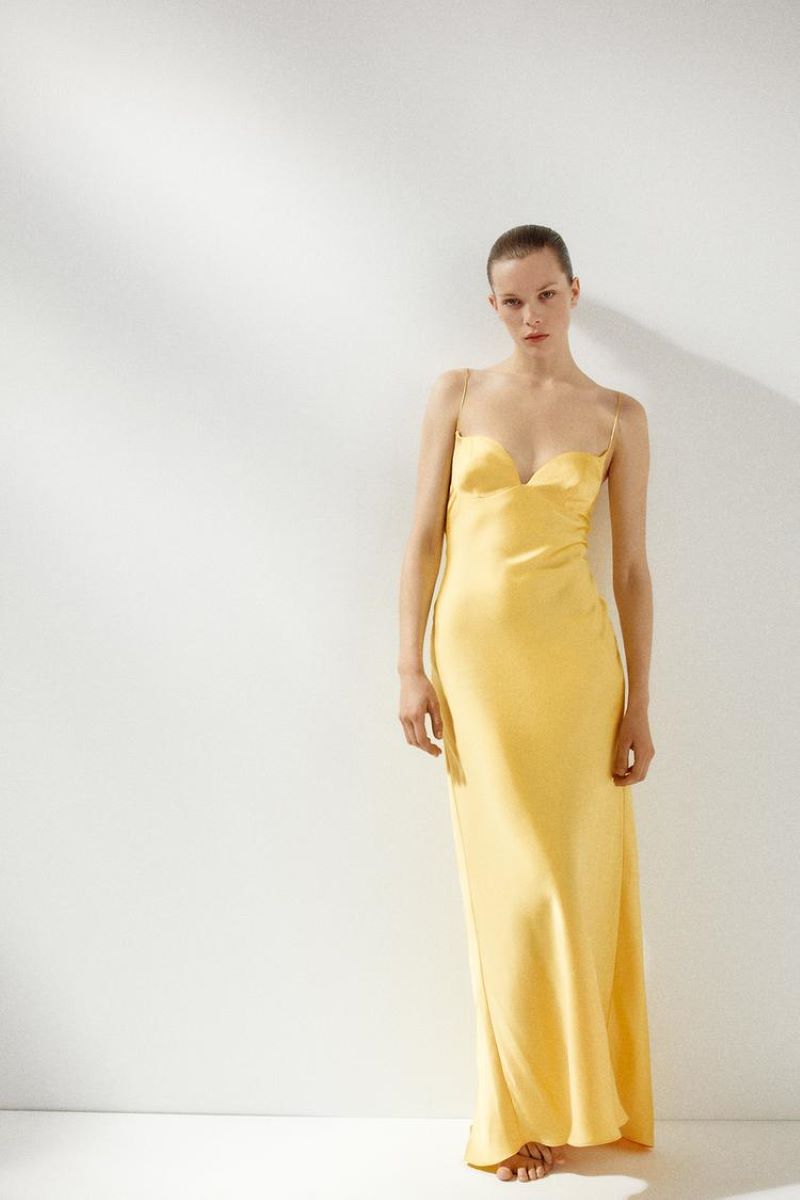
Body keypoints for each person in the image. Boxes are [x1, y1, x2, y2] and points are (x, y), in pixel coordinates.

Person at [397, 225, 656, 1182]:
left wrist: (638, 704)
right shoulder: (458, 394)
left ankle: (575, 1100)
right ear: (492, 305)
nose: (530, 316)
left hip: (577, 673)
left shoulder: (618, 415)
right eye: (511, 301)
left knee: (570, 884)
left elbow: (631, 571)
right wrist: (409, 666)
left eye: (546, 295)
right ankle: (516, 1112)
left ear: (574, 292)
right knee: (508, 891)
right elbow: (423, 539)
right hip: (475, 667)